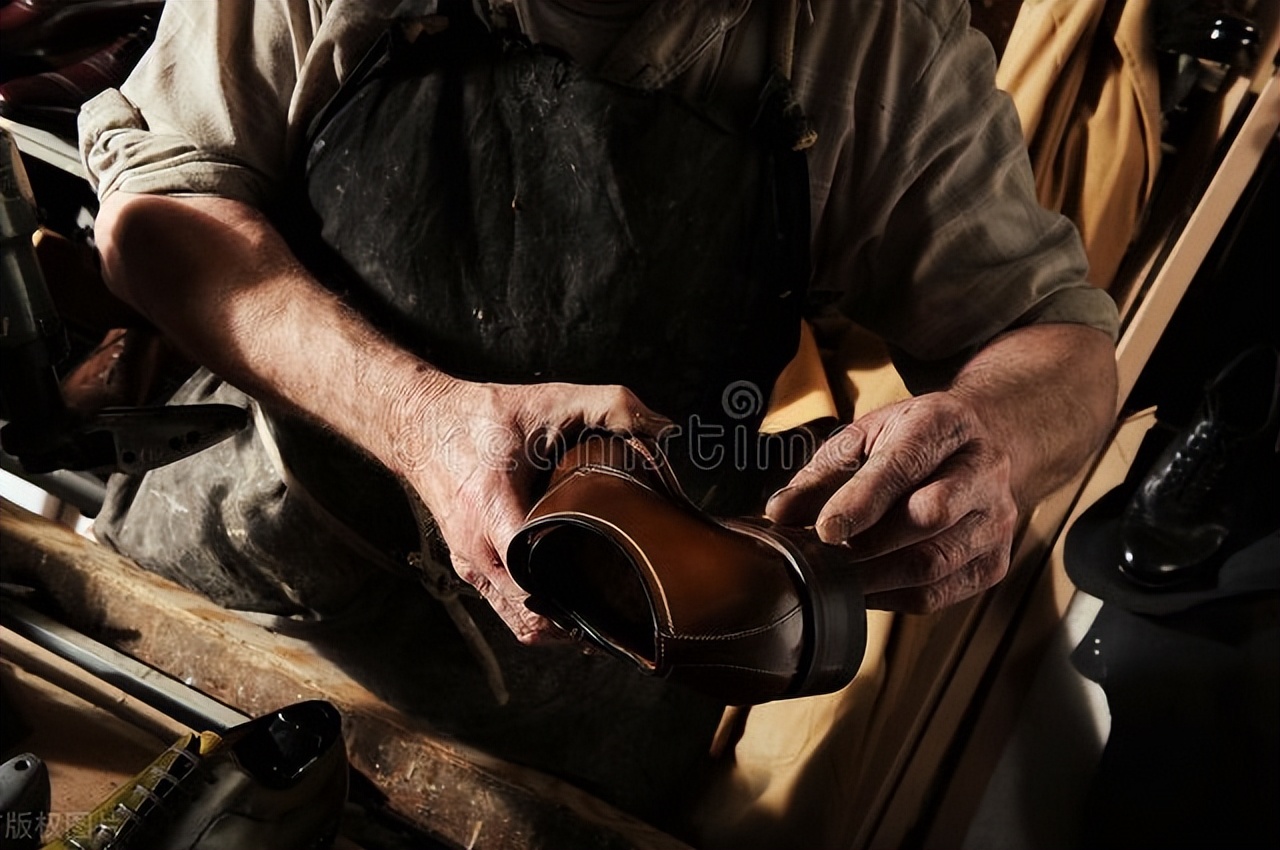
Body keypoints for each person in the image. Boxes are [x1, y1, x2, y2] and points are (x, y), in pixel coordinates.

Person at [78, 0, 1120, 843]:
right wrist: (419, 419)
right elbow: (159, 211)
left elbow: (1057, 339)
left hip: (568, 714)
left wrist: (995, 431)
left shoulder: (871, 39)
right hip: (233, 592)